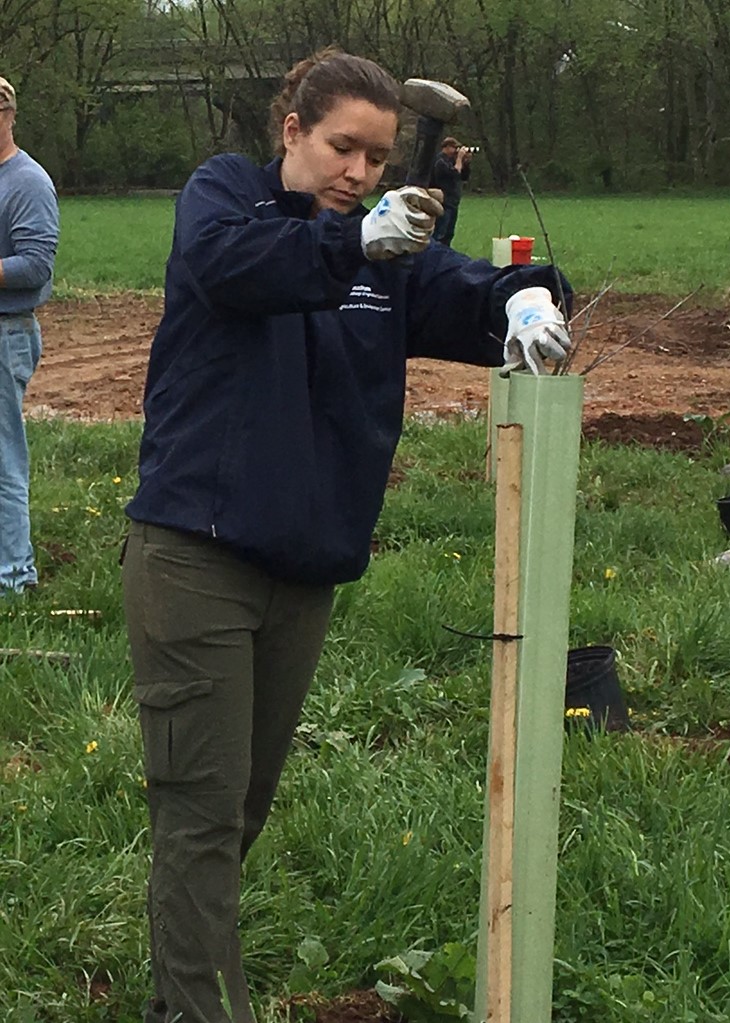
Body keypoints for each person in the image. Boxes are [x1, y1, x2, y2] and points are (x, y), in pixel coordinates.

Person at [121, 47, 571, 1023]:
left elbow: (454, 289)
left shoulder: (376, 256)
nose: (357, 172)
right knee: (198, 817)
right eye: (341, 148)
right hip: (195, 554)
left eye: (375, 157)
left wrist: (524, 298)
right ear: (291, 131)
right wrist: (370, 239)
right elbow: (243, 271)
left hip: (304, 571)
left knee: (236, 812)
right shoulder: (225, 200)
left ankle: (184, 990)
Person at [0, 75, 59, 596]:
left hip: (6, 334)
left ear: (8, 116)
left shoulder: (26, 181)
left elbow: (35, 265)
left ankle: (14, 578)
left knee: (2, 460)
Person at [431, 136, 472, 247]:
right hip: (443, 202)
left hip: (453, 202)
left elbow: (463, 177)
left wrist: (466, 163)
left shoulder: (451, 161)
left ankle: (445, 255)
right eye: (455, 148)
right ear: (447, 147)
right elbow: (454, 173)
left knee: (449, 233)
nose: (456, 151)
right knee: (440, 233)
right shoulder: (440, 161)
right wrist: (459, 160)